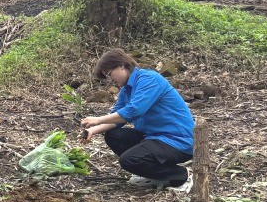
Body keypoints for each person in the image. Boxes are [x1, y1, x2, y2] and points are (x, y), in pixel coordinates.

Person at [80, 48, 194, 191]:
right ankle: (153, 173)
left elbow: (133, 111)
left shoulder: (149, 79)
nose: (110, 80)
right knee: (114, 136)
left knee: (129, 160)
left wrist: (98, 120)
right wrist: (92, 130)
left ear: (122, 65)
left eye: (109, 74)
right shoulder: (126, 89)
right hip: (153, 136)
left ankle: (182, 175)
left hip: (177, 140)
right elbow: (117, 118)